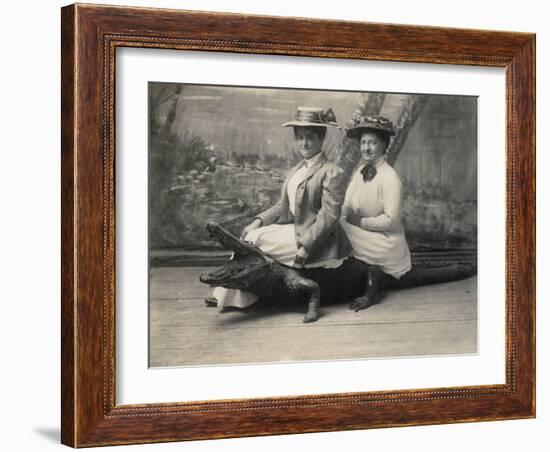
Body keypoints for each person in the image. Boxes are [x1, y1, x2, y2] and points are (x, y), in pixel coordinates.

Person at [206, 106, 352, 312]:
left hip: (319, 239)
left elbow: (329, 216)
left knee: (253, 241)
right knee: (251, 235)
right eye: (300, 138)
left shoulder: (331, 172)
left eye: (310, 137)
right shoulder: (297, 170)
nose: (304, 143)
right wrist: (258, 220)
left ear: (321, 139)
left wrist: (307, 246)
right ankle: (229, 296)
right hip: (296, 228)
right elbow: (281, 206)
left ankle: (231, 297)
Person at [340, 115, 412, 311]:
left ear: (383, 145)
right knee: (334, 231)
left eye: (372, 142)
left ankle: (369, 286)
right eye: (363, 142)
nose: (366, 148)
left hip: (385, 241)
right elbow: (346, 205)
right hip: (362, 234)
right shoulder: (360, 171)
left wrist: (359, 222)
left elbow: (391, 221)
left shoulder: (390, 178)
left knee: (339, 237)